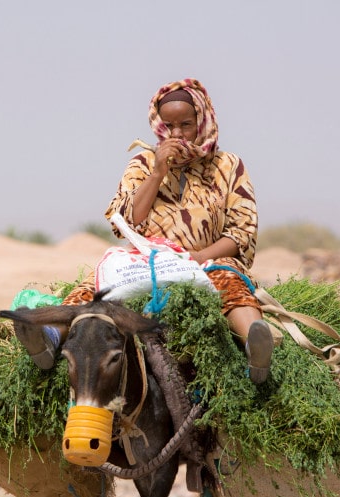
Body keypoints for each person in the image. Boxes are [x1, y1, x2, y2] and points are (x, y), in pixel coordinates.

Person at [14, 78, 273, 384]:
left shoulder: (228, 166)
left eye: (186, 125)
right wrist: (158, 173)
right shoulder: (142, 163)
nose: (176, 134)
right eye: (169, 126)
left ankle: (255, 347)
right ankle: (49, 338)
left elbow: (241, 231)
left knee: (230, 279)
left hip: (205, 261)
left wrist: (199, 256)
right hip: (146, 261)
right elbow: (126, 221)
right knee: (93, 286)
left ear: (202, 121)